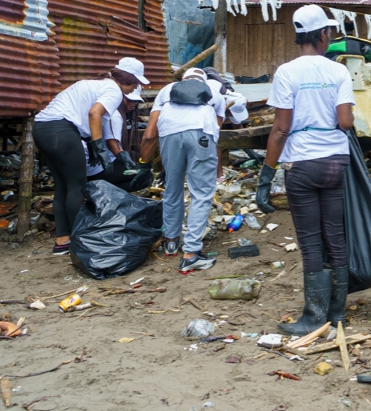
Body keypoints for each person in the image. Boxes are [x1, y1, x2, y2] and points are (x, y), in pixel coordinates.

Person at [255, 4, 356, 334]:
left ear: (300, 36)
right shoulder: (339, 71)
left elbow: (281, 129)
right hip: (335, 164)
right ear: (324, 34)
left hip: (302, 166)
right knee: (336, 239)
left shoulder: (287, 72)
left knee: (312, 243)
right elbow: (345, 122)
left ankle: (314, 317)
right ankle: (337, 313)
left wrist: (266, 176)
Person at [33, 57, 149, 255]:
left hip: (42, 129)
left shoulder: (93, 84)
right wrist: (98, 147)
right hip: (63, 131)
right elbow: (95, 114)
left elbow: (94, 118)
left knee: (63, 186)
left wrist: (102, 148)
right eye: (136, 84)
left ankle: (62, 241)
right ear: (129, 80)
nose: (134, 89)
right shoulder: (113, 90)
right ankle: (82, 239)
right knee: (77, 187)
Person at [140, 67, 226, 272]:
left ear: (182, 79)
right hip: (200, 134)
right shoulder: (214, 93)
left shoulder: (167, 90)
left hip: (169, 134)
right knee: (201, 193)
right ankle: (191, 254)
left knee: (172, 187)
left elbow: (150, 132)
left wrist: (144, 162)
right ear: (203, 80)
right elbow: (216, 129)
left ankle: (171, 242)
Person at [86, 87, 143, 181]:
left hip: (94, 166)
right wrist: (125, 160)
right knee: (143, 175)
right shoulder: (115, 115)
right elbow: (112, 143)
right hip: (102, 167)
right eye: (129, 100)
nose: (132, 104)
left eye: (135, 102)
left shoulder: (108, 111)